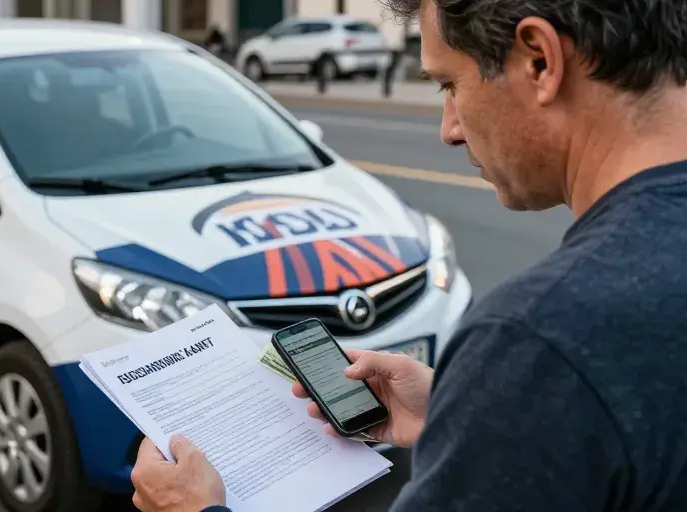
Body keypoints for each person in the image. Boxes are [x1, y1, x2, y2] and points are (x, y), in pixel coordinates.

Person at [129, 0, 687, 510]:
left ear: (538, 61)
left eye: (449, 83)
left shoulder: (538, 341)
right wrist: (464, 407)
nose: (448, 129)